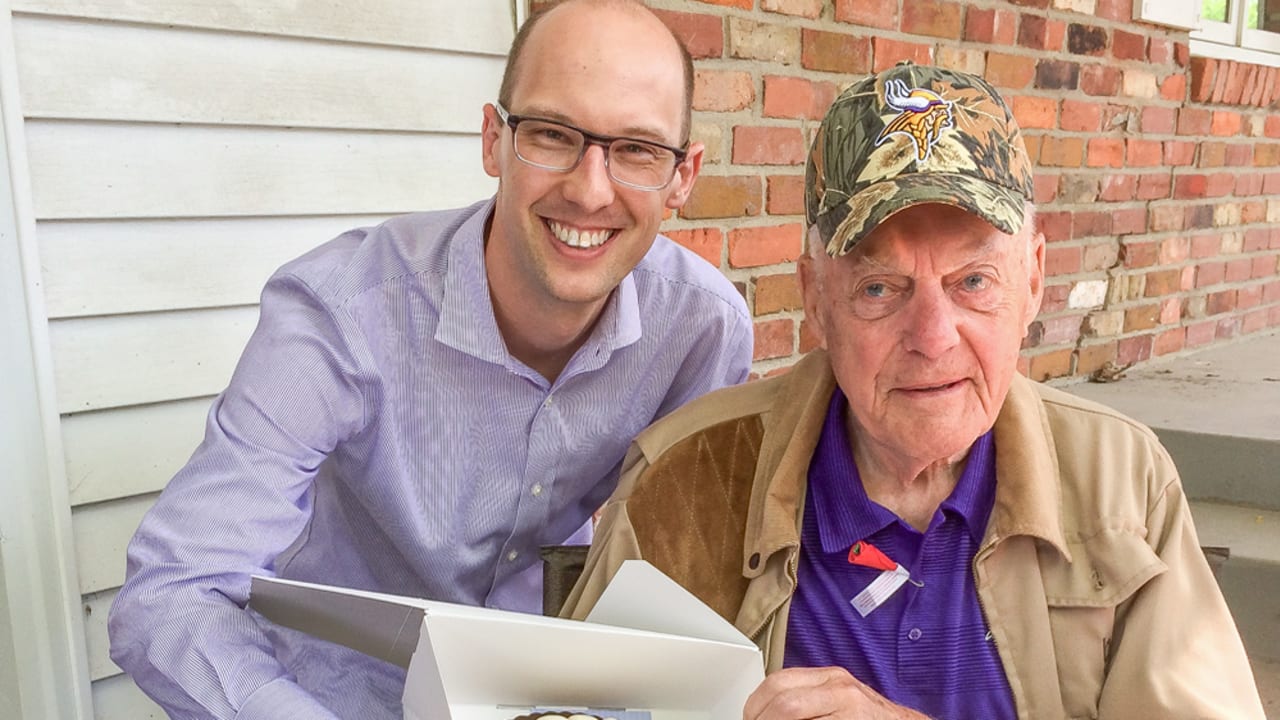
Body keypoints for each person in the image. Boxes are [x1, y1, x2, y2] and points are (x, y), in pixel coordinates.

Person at [562, 63, 1265, 719]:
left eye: (974, 283)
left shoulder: (1122, 485)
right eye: (879, 287)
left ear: (1033, 280)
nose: (933, 336)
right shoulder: (687, 480)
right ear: (816, 299)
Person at [108, 1, 753, 717]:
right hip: (337, 691)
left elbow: (682, 569)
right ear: (492, 140)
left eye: (637, 150)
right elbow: (172, 590)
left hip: (541, 687)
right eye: (550, 133)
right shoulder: (342, 314)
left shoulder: (700, 330)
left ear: (684, 176)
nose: (589, 189)